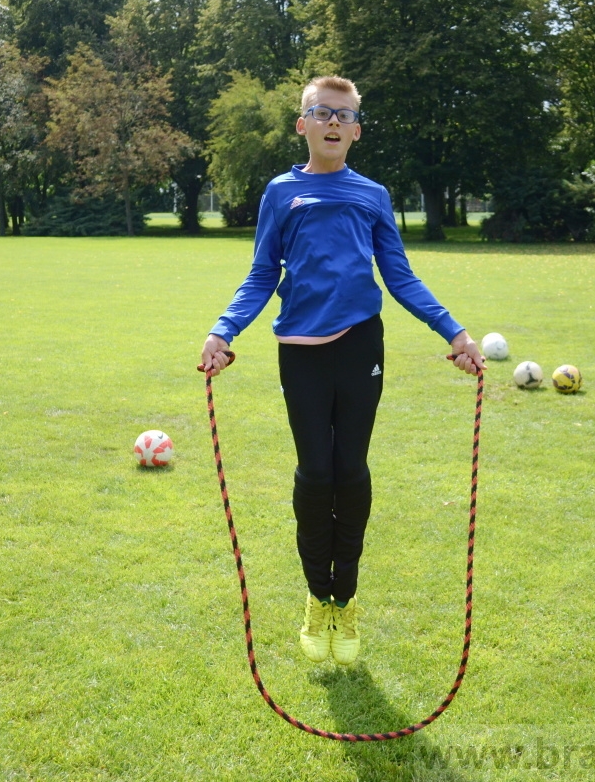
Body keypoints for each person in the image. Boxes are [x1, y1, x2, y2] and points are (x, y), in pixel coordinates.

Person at [199, 76, 483, 667]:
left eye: (345, 115)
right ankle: (315, 594)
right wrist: (223, 331)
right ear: (301, 123)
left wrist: (454, 332)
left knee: (350, 469)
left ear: (355, 129)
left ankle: (344, 598)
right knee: (315, 470)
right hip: (300, 349)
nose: (333, 122)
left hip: (360, 345)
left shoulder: (372, 194)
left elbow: (398, 276)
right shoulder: (281, 193)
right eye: (321, 112)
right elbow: (261, 275)